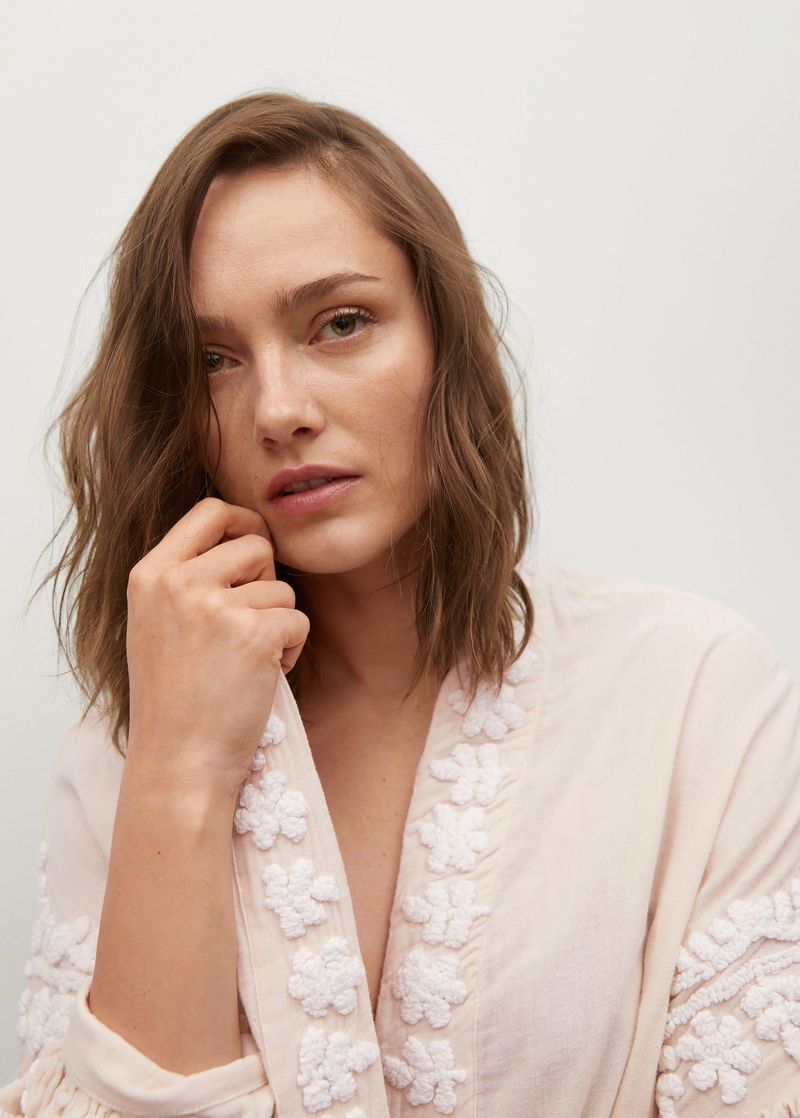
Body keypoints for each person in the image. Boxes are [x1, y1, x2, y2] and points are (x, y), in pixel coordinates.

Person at [1, 91, 799, 1118]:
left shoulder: (695, 693)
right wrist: (181, 773)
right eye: (212, 360)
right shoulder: (123, 755)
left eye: (340, 323)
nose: (279, 409)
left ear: (443, 341)